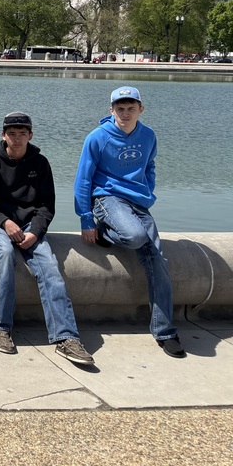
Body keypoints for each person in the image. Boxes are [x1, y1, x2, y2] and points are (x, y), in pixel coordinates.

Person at [74, 86, 184, 358]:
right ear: (111, 110)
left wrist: (149, 191)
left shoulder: (148, 135)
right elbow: (83, 179)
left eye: (130, 108)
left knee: (158, 262)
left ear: (141, 109)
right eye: (120, 108)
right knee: (134, 237)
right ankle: (104, 232)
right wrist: (86, 219)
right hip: (107, 198)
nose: (125, 113)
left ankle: (165, 331)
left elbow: (149, 166)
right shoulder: (97, 137)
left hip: (139, 201)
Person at [0, 112, 94, 365]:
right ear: (3, 135)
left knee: (50, 268)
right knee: (5, 257)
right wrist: (5, 222)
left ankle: (66, 337)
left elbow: (46, 206)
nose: (17, 139)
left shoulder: (40, 163)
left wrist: (35, 232)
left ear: (31, 135)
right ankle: (2, 328)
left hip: (30, 225)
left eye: (22, 134)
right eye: (11, 134)